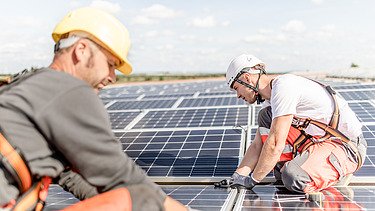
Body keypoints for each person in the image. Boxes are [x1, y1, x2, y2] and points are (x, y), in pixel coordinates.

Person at [0, 7, 187, 211]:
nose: (112, 77)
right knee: (142, 198)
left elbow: (69, 176)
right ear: (81, 50)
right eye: (110, 64)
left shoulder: (30, 84)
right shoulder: (69, 89)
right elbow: (126, 179)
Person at [219, 53, 367, 194]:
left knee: (293, 177)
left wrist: (252, 180)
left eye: (236, 88)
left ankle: (336, 174)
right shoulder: (271, 101)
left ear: (247, 78)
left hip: (348, 147)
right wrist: (237, 177)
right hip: (320, 141)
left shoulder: (284, 87)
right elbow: (258, 145)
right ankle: (309, 166)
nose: (238, 95)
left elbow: (275, 143)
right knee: (266, 120)